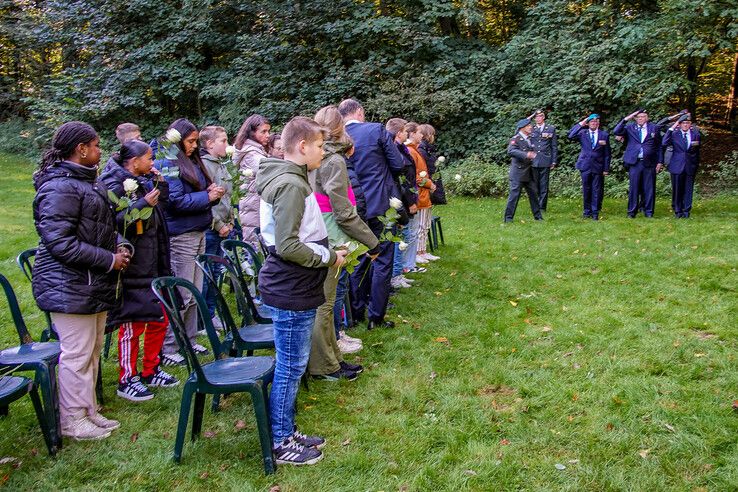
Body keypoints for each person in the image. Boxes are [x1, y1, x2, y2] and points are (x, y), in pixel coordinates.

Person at [256, 116, 348, 465]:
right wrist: (328, 256)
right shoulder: (292, 185)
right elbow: (288, 245)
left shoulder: (295, 178)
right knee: (291, 366)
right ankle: (280, 441)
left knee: (291, 364)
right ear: (302, 147)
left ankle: (286, 428)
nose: (324, 152)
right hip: (290, 285)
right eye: (321, 146)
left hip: (295, 283)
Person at [32, 121, 131, 440]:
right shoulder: (59, 187)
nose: (102, 151)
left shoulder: (89, 183)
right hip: (69, 284)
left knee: (92, 349)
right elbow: (59, 242)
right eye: (97, 145)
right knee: (76, 352)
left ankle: (88, 409)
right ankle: (71, 419)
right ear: (81, 149)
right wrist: (107, 259)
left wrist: (119, 244)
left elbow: (99, 227)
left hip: (92, 282)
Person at [101, 140, 180, 401]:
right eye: (149, 158)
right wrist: (142, 204)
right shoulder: (113, 184)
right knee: (133, 324)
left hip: (155, 258)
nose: (153, 162)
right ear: (134, 161)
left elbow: (164, 202)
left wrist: (160, 182)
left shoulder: (145, 179)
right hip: (133, 263)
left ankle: (151, 368)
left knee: (160, 317)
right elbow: (113, 223)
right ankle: (127, 377)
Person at [308, 105, 379, 380]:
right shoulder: (333, 160)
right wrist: (372, 242)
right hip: (331, 235)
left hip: (318, 231)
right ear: (340, 129)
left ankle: (333, 358)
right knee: (325, 304)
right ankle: (324, 366)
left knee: (326, 303)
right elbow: (343, 211)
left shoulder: (316, 157)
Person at [156, 118, 225, 366]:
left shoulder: (192, 162)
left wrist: (213, 197)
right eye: (191, 141)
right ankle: (170, 346)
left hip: (198, 230)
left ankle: (190, 337)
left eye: (196, 141)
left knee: (195, 290)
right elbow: (175, 201)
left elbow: (198, 195)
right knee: (182, 293)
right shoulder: (167, 163)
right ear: (177, 140)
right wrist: (206, 196)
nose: (195, 146)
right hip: (180, 234)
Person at [339, 99, 406, 330]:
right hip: (380, 205)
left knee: (357, 259)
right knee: (383, 260)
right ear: (359, 112)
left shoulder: (334, 135)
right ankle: (376, 316)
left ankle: (355, 312)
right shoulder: (376, 130)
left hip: (352, 206)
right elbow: (398, 163)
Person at [199, 126, 235, 329]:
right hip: (211, 228)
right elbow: (207, 199)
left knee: (216, 271)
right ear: (210, 144)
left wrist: (230, 220)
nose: (227, 145)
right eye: (223, 141)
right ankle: (204, 319)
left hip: (224, 226)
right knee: (207, 275)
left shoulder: (220, 164)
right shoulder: (204, 165)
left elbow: (228, 196)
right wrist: (219, 224)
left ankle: (211, 315)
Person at [386, 118, 421, 285]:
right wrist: (410, 201)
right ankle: (395, 276)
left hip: (404, 197)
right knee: (400, 238)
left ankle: (398, 272)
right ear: (399, 133)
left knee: (402, 236)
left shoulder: (400, 150)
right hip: (400, 199)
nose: (407, 135)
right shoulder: (395, 153)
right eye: (405, 132)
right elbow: (402, 180)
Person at [612, 109, 663, 218]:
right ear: (635, 118)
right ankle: (631, 212)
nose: (641, 119)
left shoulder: (654, 128)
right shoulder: (630, 128)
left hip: (649, 162)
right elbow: (616, 131)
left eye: (643, 116)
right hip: (635, 163)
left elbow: (659, 146)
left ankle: (649, 212)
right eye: (638, 117)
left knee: (649, 188)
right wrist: (627, 118)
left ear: (647, 118)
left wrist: (660, 161)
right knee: (634, 188)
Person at [233, 114, 270, 246]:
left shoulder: (256, 150)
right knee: (256, 245)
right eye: (263, 131)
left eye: (268, 131)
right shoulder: (251, 154)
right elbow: (269, 170)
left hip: (254, 204)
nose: (268, 135)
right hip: (254, 206)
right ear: (252, 132)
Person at [405, 122, 438, 262]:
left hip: (424, 194)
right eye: (419, 132)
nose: (421, 135)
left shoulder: (415, 149)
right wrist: (430, 184)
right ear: (412, 134)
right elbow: (417, 177)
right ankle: (418, 253)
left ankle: (422, 250)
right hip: (420, 193)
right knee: (420, 226)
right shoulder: (411, 151)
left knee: (425, 225)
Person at [567, 114, 611, 220]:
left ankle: (595, 212)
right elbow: (570, 135)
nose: (594, 123)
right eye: (591, 122)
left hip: (598, 166)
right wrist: (582, 122)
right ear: (588, 123)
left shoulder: (604, 135)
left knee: (596, 190)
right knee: (586, 189)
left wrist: (606, 168)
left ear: (598, 123)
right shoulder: (583, 133)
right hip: (585, 165)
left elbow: (607, 154)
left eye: (596, 122)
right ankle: (587, 212)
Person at [504, 119, 543, 222]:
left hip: (529, 172)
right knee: (514, 196)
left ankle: (538, 217)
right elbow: (511, 151)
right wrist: (526, 155)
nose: (531, 127)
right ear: (522, 128)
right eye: (528, 125)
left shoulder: (530, 138)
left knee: (534, 195)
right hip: (518, 173)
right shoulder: (516, 139)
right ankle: (508, 218)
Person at [662, 114, 701, 218]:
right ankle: (678, 211)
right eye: (683, 123)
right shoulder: (674, 134)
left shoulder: (695, 134)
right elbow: (664, 142)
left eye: (687, 123)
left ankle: (686, 211)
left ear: (690, 124)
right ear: (679, 124)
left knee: (688, 189)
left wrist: (695, 164)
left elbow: (696, 151)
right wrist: (671, 129)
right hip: (676, 165)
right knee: (677, 189)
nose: (685, 125)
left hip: (690, 165)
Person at [528, 110, 558, 211]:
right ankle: (535, 205)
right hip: (534, 160)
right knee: (534, 184)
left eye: (540, 116)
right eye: (536, 117)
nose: (538, 118)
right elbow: (518, 130)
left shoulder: (550, 128)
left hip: (545, 160)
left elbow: (554, 146)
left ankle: (542, 207)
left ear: (543, 117)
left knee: (544, 185)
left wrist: (554, 161)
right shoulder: (531, 128)